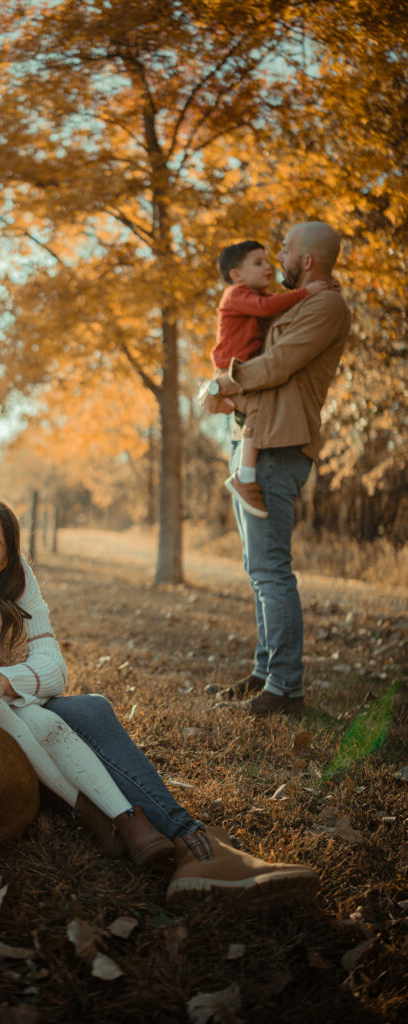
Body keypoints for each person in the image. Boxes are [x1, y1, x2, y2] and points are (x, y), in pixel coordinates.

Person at [0, 432, 319, 905]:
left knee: (88, 710)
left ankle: (193, 844)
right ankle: (134, 826)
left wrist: (3, 678)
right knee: (42, 722)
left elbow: (51, 666)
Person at [0, 493, 174, 867]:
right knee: (6, 714)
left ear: (6, 560)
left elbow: (19, 676)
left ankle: (126, 818)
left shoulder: (1, 611)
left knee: (43, 719)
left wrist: (2, 686)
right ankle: (91, 814)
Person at [204, 222, 352, 716]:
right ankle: (265, 673)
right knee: (258, 569)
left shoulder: (324, 306)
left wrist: (223, 384)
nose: (279, 258)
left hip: (279, 446)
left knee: (271, 573)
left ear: (306, 260)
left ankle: (285, 690)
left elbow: (279, 365)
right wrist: (230, 392)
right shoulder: (305, 301)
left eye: (285, 250)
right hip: (256, 437)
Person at [204, 240, 327, 518]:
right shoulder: (236, 294)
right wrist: (307, 292)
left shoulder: (253, 296)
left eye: (266, 261)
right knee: (260, 407)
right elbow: (267, 308)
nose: (268, 266)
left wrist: (317, 294)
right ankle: (245, 477)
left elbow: (275, 312)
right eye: (258, 263)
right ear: (236, 275)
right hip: (231, 369)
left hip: (242, 371)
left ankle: (230, 411)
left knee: (254, 409)